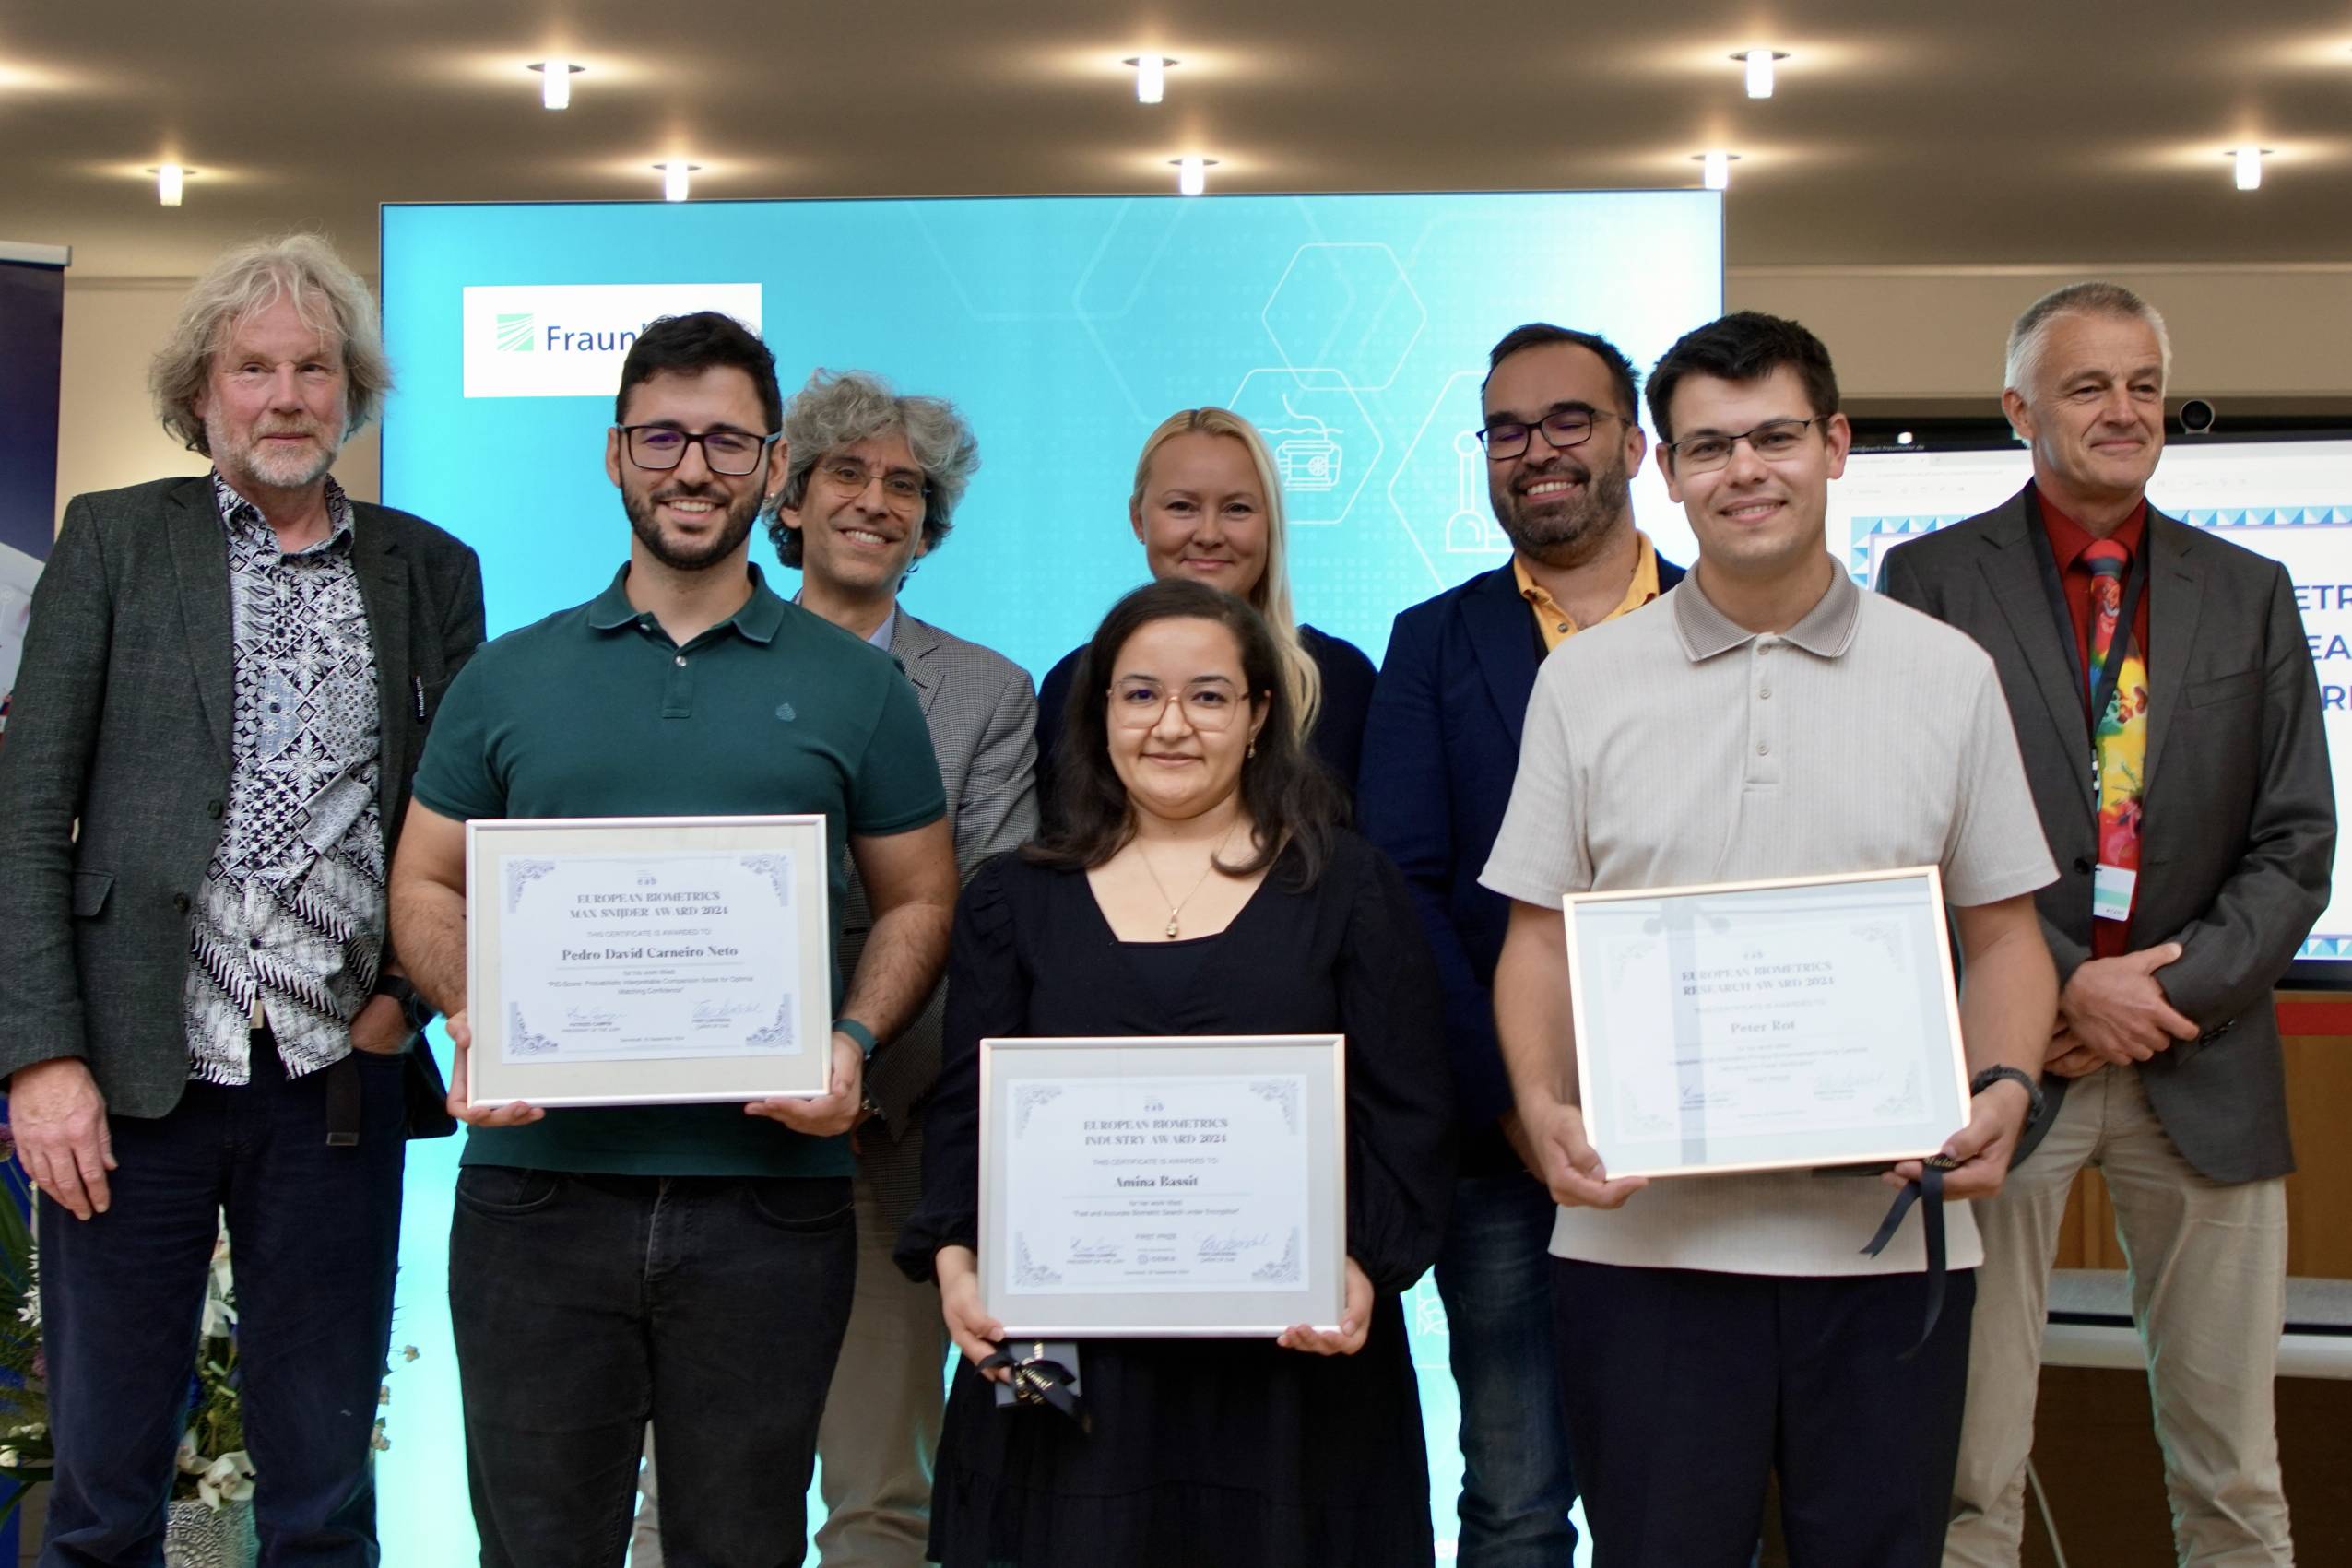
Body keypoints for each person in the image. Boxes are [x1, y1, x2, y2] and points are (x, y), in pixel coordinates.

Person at [1483, 312, 2060, 1567]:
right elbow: (1536, 937)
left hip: (1886, 1252)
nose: (1741, 470)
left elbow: (2007, 936)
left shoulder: (1945, 673)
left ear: (1835, 445)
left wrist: (2006, 1082)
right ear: (1665, 470)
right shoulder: (1581, 683)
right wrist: (1537, 1104)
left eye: (1773, 437)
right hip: (1642, 1248)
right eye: (1707, 446)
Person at [386, 312, 959, 1568]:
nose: (691, 468)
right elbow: (425, 878)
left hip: (767, 1202)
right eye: (662, 436)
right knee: (538, 1548)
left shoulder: (858, 685)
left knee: (742, 1546)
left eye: (724, 441)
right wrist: (475, 1010)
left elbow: (919, 897)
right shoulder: (510, 675)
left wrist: (855, 1040)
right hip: (538, 1202)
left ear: (769, 469)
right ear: (612, 455)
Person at [0, 233, 484, 1564]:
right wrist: (41, 1062)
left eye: (313, 367)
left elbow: (457, 824)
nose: (286, 396)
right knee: (103, 1492)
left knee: (322, 1489)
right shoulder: (111, 541)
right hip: (126, 1084)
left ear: (352, 391)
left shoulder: (428, 570)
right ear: (200, 393)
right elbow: (27, 814)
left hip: (335, 1081)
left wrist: (397, 1005)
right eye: (253, 368)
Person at [1878, 282, 2333, 1568]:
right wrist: (2064, 987)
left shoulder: (2245, 590)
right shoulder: (1927, 579)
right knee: (1969, 1469)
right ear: (2017, 409)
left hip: (2203, 1057)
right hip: (2006, 1065)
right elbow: (1909, 825)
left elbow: (2295, 836)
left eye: (2141, 384)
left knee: (2233, 1473)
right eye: (2085, 386)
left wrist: (2158, 992)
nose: (2121, 410)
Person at [898, 578, 1456, 1568]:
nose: (1171, 725)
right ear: (1099, 712)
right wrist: (957, 1263)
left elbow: (1405, 1110)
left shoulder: (1346, 885)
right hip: (1065, 1365)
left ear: (1258, 719)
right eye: (1140, 693)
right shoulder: (1016, 900)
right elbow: (965, 1109)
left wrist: (1366, 1266)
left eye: (1208, 695)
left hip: (1291, 1370)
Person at [631, 369, 1039, 1568]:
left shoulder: (986, 694)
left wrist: (861, 1065)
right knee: (685, 1494)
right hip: (704, 1147)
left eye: (904, 485)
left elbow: (984, 916)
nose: (874, 502)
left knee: (880, 1498)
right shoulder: (681, 657)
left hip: (890, 1141)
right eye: (845, 476)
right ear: (787, 499)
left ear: (930, 522)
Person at [1359, 322, 1684, 1565]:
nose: (1535, 451)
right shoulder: (1431, 642)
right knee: (1510, 1494)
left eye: (1568, 422)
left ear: (1633, 446)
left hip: (1708, 1134)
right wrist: (1515, 1101)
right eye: (1505, 430)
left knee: (1684, 1487)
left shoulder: (1723, 617)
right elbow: (1407, 887)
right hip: (1499, 1159)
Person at [1033, 407, 1375, 818]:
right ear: (1138, 520)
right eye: (1181, 507)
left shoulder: (1342, 680)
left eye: (1237, 509)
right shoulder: (1072, 685)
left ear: (1271, 524)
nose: (1209, 535)